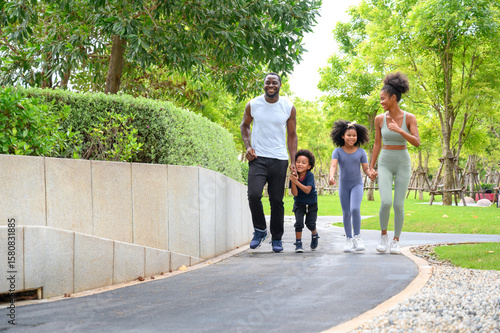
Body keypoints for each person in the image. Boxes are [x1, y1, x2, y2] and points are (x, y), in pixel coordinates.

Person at [240, 72, 297, 253]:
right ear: (263, 84)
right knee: (254, 194)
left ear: (280, 85)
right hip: (258, 158)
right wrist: (248, 146)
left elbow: (292, 135)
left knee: (276, 200)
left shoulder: (288, 107)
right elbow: (244, 125)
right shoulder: (253, 104)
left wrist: (293, 160)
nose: (270, 85)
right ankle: (260, 230)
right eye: (267, 82)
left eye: (274, 83)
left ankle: (277, 238)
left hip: (279, 159)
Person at [369, 72, 420, 254]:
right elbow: (377, 143)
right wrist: (371, 167)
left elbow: (416, 142)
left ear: (393, 98)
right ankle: (383, 236)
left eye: (383, 99)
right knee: (385, 202)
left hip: (403, 161)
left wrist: (400, 130)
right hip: (385, 161)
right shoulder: (379, 119)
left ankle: (396, 240)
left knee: (398, 204)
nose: (381, 102)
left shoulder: (410, 118)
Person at [329, 120, 373, 252]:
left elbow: (366, 168)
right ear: (342, 136)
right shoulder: (337, 151)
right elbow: (333, 165)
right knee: (346, 212)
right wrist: (331, 176)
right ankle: (348, 239)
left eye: (354, 135)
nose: (352, 138)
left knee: (355, 209)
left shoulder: (361, 152)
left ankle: (357, 237)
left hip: (357, 184)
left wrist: (370, 173)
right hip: (343, 185)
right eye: (349, 135)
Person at [289, 149, 319, 253]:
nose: (300, 164)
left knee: (310, 224)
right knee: (299, 223)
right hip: (299, 203)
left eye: (303, 163)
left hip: (311, 203)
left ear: (309, 166)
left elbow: (307, 190)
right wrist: (293, 181)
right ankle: (298, 243)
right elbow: (295, 193)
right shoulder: (293, 176)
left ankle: (315, 235)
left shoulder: (309, 175)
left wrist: (296, 181)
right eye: (298, 162)